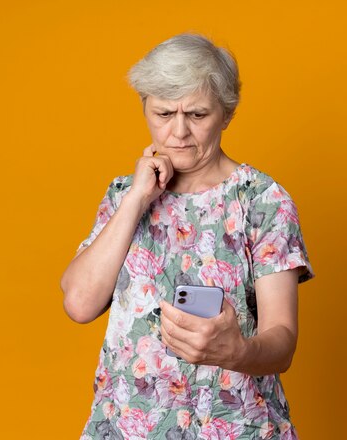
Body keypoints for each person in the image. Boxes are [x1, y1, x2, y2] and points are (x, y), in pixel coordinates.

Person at [61, 33, 314, 440]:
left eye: (197, 115)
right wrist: (138, 198)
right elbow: (79, 303)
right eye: (163, 114)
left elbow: (282, 341)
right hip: (128, 428)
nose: (178, 132)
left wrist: (238, 351)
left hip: (235, 427)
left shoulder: (263, 200)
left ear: (226, 114)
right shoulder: (124, 195)